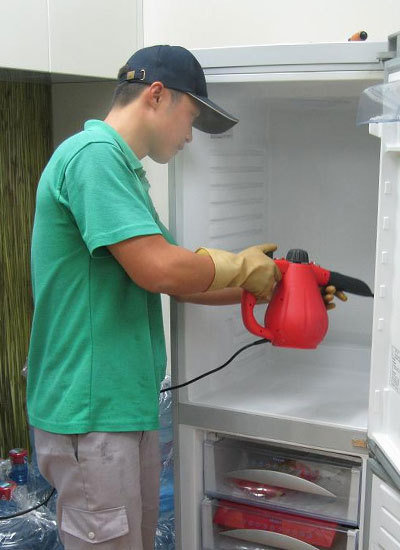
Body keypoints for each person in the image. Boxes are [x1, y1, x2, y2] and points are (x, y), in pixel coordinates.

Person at [26, 45, 343, 550]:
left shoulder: (122, 171)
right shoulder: (93, 157)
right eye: (191, 117)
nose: (190, 136)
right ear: (157, 95)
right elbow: (160, 268)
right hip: (91, 412)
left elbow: (181, 278)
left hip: (119, 408)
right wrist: (242, 266)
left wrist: (281, 288)